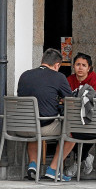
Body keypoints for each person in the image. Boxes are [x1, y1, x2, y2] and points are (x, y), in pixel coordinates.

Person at [17, 48, 74, 181]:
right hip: (42, 127)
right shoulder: (59, 77)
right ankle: (53, 169)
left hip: (21, 126)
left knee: (34, 123)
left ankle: (33, 165)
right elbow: (70, 100)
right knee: (72, 132)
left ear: (42, 61)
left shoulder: (25, 75)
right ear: (57, 65)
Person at [65, 52, 96, 177]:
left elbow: (94, 99)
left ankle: (78, 162)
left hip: (93, 117)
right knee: (64, 131)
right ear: (73, 66)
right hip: (73, 117)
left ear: (89, 68)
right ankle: (86, 157)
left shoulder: (95, 80)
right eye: (77, 64)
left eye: (83, 65)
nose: (80, 68)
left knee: (88, 130)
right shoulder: (69, 80)